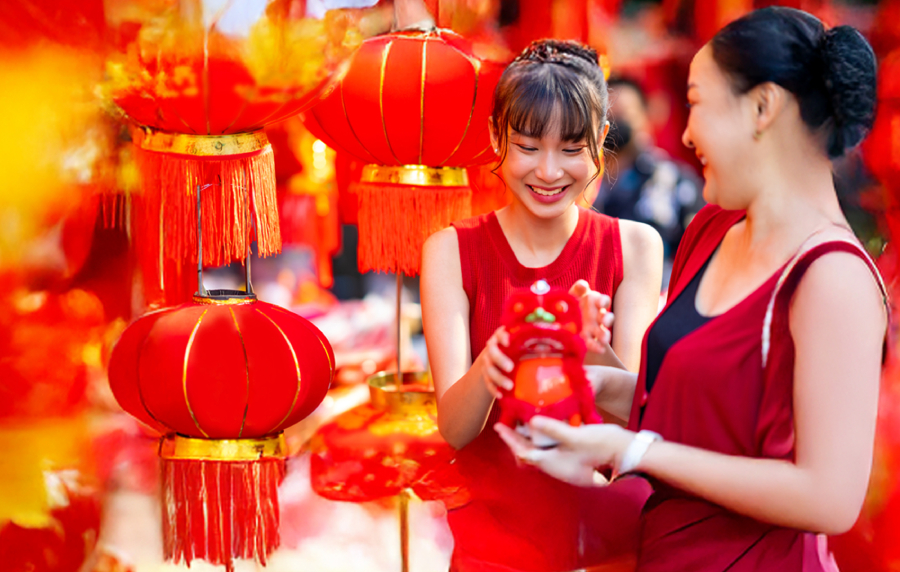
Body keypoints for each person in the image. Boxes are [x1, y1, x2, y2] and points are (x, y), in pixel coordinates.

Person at [496, 7, 887, 571]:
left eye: (697, 103)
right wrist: (589, 379)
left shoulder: (832, 276)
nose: (684, 133)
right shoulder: (711, 229)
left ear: (763, 108)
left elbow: (830, 498)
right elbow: (685, 416)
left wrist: (635, 451)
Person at [420, 39, 664, 571]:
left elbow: (636, 421)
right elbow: (455, 428)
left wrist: (591, 348)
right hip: (491, 549)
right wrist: (497, 357)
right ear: (496, 137)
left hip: (602, 547)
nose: (549, 172)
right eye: (528, 147)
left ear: (601, 139)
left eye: (572, 149)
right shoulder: (450, 251)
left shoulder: (634, 246)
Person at [595, 77, 705, 268]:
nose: (615, 124)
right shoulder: (586, 182)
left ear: (645, 116)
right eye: (609, 116)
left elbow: (700, 250)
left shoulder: (674, 180)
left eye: (624, 115)